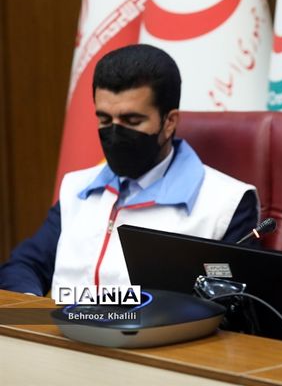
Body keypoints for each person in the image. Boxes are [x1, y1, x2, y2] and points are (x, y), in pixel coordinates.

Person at [0, 44, 259, 297]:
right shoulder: (77, 188)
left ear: (169, 122)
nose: (115, 133)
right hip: (61, 326)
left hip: (158, 327)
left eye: (132, 121)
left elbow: (232, 303)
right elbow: (25, 265)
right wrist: (32, 310)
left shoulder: (225, 204)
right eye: (104, 119)